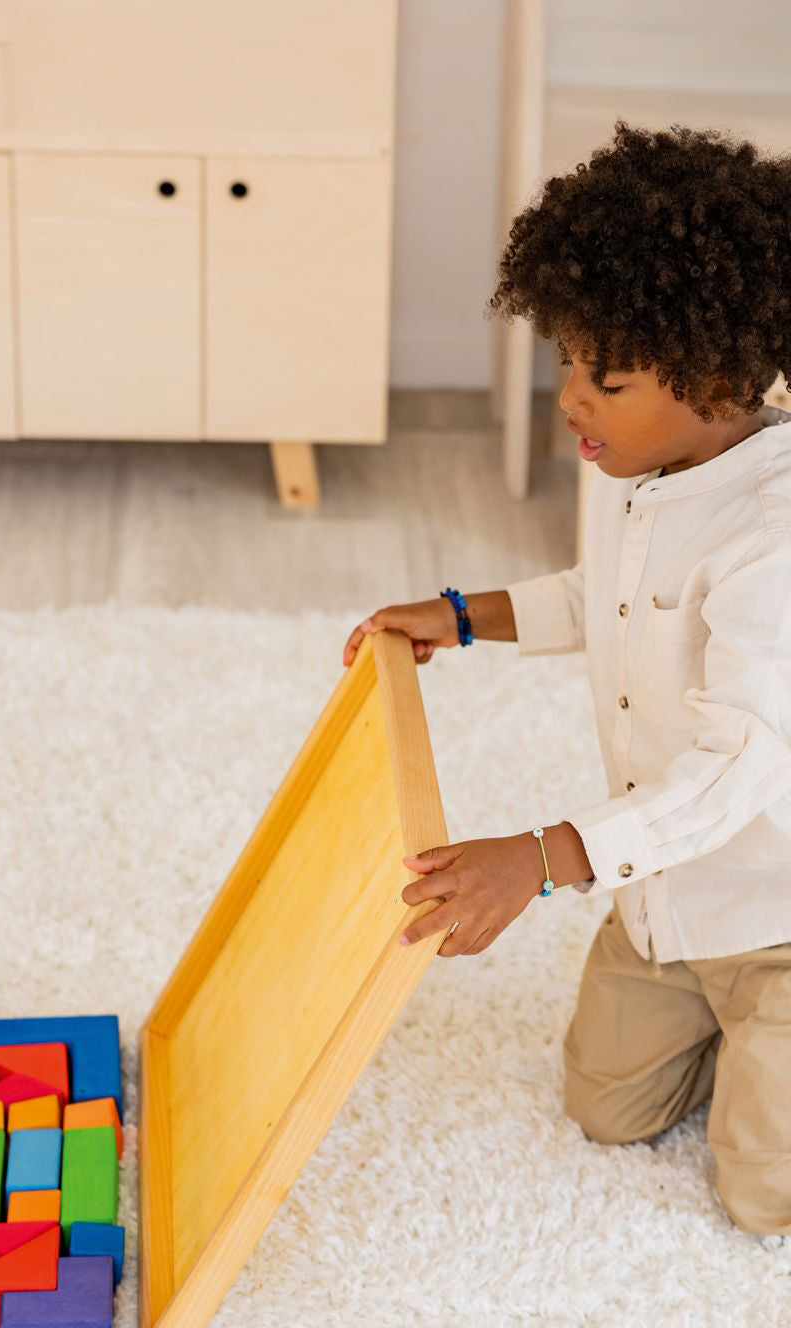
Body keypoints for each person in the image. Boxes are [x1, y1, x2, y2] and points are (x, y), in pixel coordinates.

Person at [343, 119, 791, 1232]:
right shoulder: (639, 461)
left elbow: (734, 772)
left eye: (607, 376)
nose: (572, 399)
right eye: (565, 362)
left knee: (760, 1197)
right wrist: (463, 617)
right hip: (661, 900)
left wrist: (540, 858)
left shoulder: (772, 544)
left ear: (723, 375)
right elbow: (602, 596)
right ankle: (702, 1022)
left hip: (773, 914)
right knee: (604, 1109)